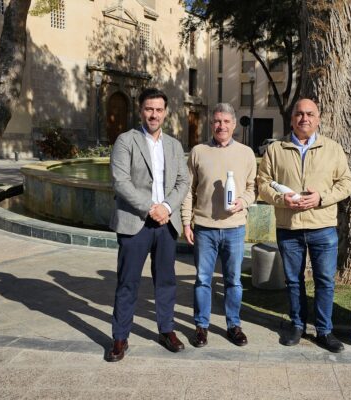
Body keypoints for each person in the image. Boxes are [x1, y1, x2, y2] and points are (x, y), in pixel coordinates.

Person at [256, 98, 351, 353]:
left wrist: (321, 197)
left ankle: (324, 331)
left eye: (310, 114)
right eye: (299, 114)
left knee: (325, 281)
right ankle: (297, 325)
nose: (304, 118)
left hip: (323, 227)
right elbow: (263, 185)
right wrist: (281, 198)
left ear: (318, 118)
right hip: (289, 228)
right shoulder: (276, 149)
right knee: (293, 281)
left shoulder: (332, 149)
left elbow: (347, 183)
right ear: (292, 119)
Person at [106, 88, 189, 362]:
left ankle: (166, 329)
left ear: (166, 113)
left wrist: (165, 208)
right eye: (149, 109)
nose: (154, 114)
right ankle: (120, 337)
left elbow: (183, 182)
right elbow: (120, 181)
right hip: (135, 223)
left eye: (158, 110)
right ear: (140, 110)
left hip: (166, 224)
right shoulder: (126, 141)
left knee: (166, 281)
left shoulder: (175, 146)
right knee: (127, 282)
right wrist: (149, 207)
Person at [181, 103, 256, 348]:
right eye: (216, 121)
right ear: (210, 124)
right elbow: (188, 191)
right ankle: (201, 326)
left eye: (226, 121)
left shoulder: (246, 153)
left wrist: (242, 202)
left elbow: (252, 188)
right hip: (204, 228)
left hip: (235, 228)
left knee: (233, 280)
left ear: (234, 124)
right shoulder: (198, 151)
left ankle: (233, 325)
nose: (221, 126)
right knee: (203, 279)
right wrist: (186, 221)